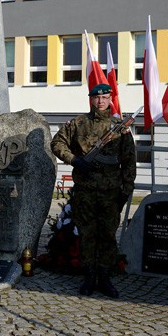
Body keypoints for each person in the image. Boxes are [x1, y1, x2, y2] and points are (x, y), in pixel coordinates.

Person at [50, 83, 136, 298]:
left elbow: (129, 162)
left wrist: (125, 191)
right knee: (87, 235)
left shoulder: (120, 128)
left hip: (110, 193)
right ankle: (89, 277)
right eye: (97, 98)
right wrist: (75, 161)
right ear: (91, 99)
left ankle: (105, 277)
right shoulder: (78, 124)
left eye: (105, 97)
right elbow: (57, 143)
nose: (100, 101)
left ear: (110, 99)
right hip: (85, 192)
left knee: (107, 236)